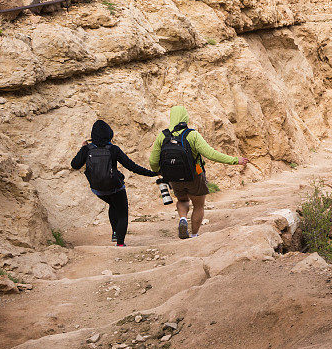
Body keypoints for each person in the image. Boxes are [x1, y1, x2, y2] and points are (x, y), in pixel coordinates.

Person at [149, 105, 248, 239]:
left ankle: (182, 219)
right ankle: (194, 234)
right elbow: (211, 154)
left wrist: (159, 172)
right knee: (198, 205)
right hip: (194, 176)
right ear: (185, 117)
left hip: (174, 177)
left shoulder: (163, 136)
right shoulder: (192, 135)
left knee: (182, 200)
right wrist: (235, 160)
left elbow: (153, 161)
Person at [71, 120, 158, 246]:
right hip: (115, 188)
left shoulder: (87, 149)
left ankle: (115, 234)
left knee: (113, 204)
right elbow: (132, 166)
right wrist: (153, 173)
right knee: (122, 213)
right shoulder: (113, 149)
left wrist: (83, 148)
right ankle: (120, 243)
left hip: (98, 190)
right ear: (109, 134)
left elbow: (74, 165)